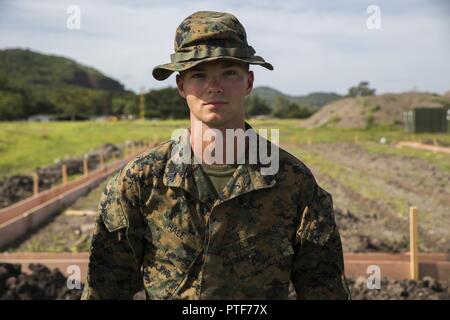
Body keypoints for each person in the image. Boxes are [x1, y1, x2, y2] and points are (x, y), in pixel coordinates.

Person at [81, 10, 350, 300]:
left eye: (229, 73)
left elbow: (325, 291)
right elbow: (104, 289)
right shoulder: (141, 180)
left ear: (248, 82)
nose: (214, 86)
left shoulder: (293, 181)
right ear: (181, 86)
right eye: (199, 74)